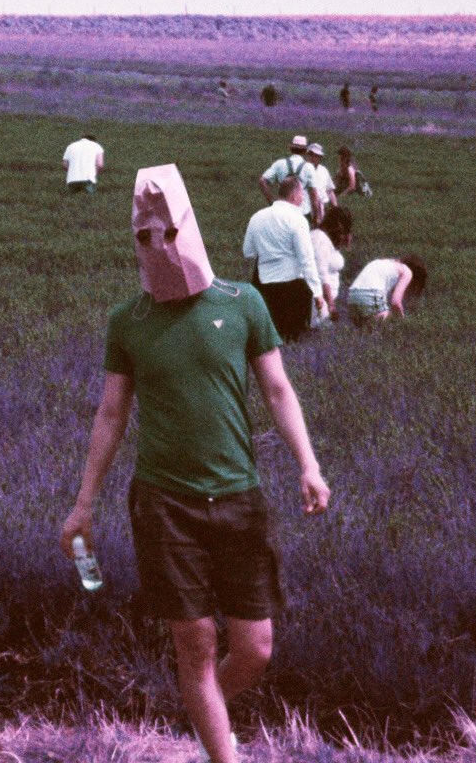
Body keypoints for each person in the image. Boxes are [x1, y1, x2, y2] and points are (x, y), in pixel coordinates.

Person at [60, 164, 330, 763]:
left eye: (169, 232)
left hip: (238, 496)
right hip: (164, 502)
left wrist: (308, 466)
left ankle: (199, 707)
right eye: (145, 237)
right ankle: (219, 750)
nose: (159, 245)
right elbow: (110, 415)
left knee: (255, 647)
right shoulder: (128, 321)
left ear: (191, 228)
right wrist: (83, 506)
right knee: (196, 644)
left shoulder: (243, 304)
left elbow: (279, 390)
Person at [243, 176, 323, 342]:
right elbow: (306, 260)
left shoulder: (257, 217)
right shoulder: (298, 219)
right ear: (294, 196)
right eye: (302, 194)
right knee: (292, 338)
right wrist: (317, 293)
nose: (303, 198)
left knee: (268, 339)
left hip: (263, 287)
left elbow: (248, 252)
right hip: (291, 289)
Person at [347, 254, 427, 325]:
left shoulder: (386, 262)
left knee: (362, 331)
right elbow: (395, 302)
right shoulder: (407, 271)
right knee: (389, 326)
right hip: (372, 294)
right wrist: (404, 322)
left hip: (352, 295)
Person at [310, 205, 352, 325]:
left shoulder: (325, 239)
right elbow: (321, 274)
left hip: (325, 301)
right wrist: (331, 305)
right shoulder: (319, 239)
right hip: (320, 303)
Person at [258, 135, 315, 222]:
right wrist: (317, 217)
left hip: (282, 212)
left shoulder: (280, 163)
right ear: (305, 151)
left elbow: (262, 181)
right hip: (302, 211)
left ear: (291, 148)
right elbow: (314, 194)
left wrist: (271, 202)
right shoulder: (309, 167)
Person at [304, 143, 337, 226]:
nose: (313, 158)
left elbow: (330, 191)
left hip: (322, 207)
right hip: (306, 208)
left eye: (316, 155)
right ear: (307, 155)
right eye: (311, 154)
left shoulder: (324, 170)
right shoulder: (302, 170)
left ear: (320, 157)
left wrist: (336, 208)